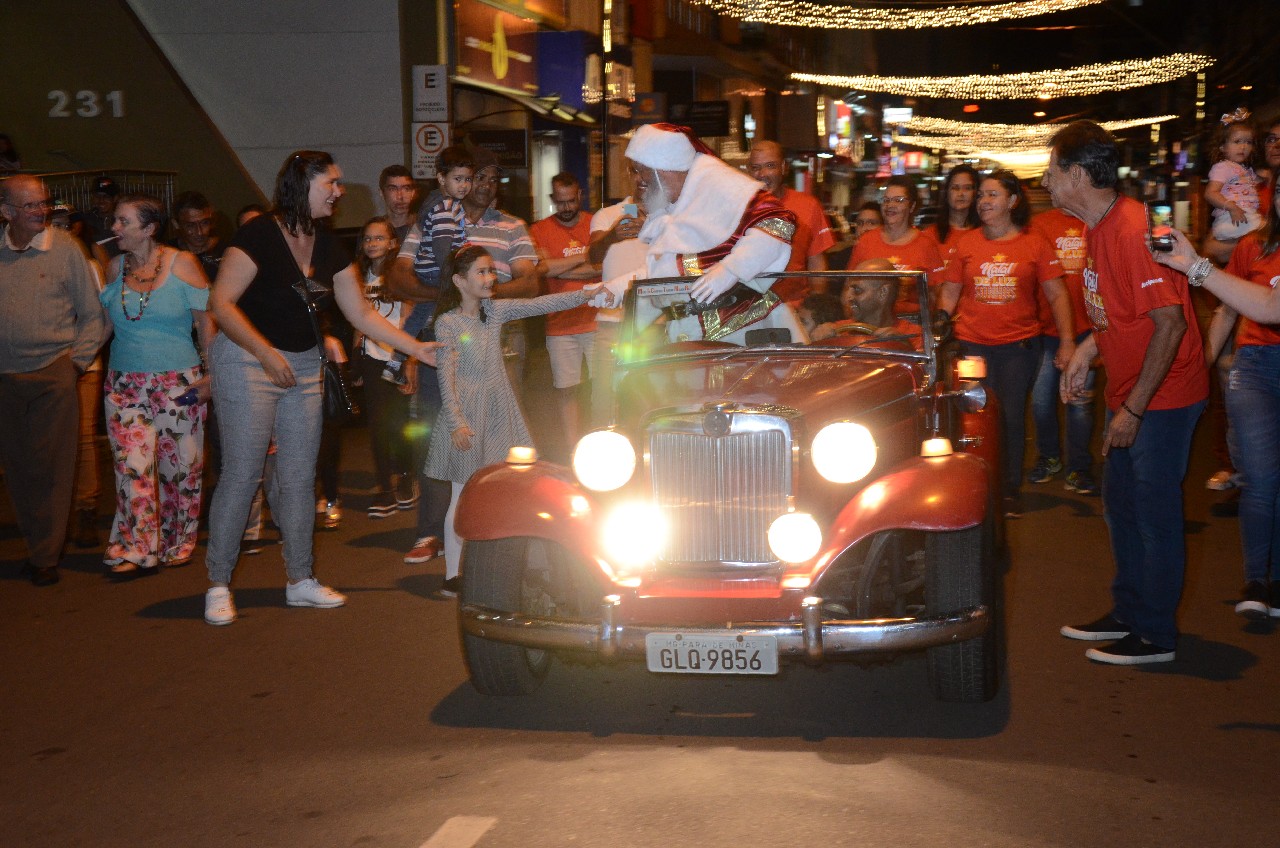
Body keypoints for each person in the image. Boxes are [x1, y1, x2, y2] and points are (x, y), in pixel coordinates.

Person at [202, 150, 440, 626]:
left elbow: (362, 314)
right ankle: (218, 584)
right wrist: (268, 355)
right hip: (248, 360)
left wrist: (418, 347)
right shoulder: (259, 235)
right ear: (302, 183)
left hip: (303, 365)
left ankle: (300, 580)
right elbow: (221, 305)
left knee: (296, 477)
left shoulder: (327, 243)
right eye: (331, 182)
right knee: (243, 474)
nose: (339, 190)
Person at [1046, 121, 1208, 665]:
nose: (1045, 181)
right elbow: (1119, 313)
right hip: (1130, 391)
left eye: (1051, 170)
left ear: (1075, 174)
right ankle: (1129, 613)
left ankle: (1156, 635)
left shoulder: (1135, 228)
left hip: (1163, 396)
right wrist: (1089, 353)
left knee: (1153, 516)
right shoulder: (1099, 225)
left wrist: (1134, 408)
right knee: (1120, 506)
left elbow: (1170, 324)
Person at [389, 146, 539, 566]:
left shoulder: (511, 226)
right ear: (459, 179)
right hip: (447, 342)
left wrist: (483, 298)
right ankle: (430, 532)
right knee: (441, 435)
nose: (485, 185)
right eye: (478, 176)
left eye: (494, 178)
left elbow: (530, 285)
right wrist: (450, 299)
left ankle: (502, 528)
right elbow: (398, 276)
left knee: (501, 438)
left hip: (500, 345)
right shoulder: (432, 219)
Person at [427, 245, 599, 596]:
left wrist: (589, 293)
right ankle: (452, 576)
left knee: (509, 483)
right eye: (481, 272)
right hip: (469, 415)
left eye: (491, 271)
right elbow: (446, 376)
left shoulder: (495, 310)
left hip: (499, 410)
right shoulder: (447, 323)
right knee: (462, 493)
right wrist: (457, 422)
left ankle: (504, 564)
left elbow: (541, 304)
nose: (490, 278)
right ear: (460, 281)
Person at [1153, 179, 1280, 620]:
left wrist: (1195, 266)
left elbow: (1270, 306)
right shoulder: (1254, 247)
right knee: (1260, 478)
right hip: (1257, 366)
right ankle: (1256, 581)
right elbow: (1229, 308)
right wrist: (1203, 362)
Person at [937, 171, 1073, 517]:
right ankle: (974, 484)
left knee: (1010, 416)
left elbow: (1057, 295)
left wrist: (1068, 342)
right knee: (972, 414)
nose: (983, 201)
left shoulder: (1035, 243)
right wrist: (940, 320)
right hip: (971, 345)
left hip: (1018, 348)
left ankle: (1008, 488)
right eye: (981, 195)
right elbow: (951, 290)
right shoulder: (966, 244)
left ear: (1013, 201)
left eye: (993, 195)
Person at [590, 123, 801, 346]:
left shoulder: (721, 187)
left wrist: (731, 269)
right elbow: (675, 268)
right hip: (692, 340)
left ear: (661, 169)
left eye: (641, 170)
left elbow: (777, 222)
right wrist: (619, 287)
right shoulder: (677, 207)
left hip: (747, 335)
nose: (639, 180)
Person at [0, 175, 107, 586]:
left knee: (53, 467)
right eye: (31, 206)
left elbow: (93, 314)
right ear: (6, 211)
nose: (42, 211)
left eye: (44, 203)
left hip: (53, 372)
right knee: (18, 468)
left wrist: (74, 365)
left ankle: (45, 555)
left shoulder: (64, 249)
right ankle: (35, 545)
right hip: (6, 378)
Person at [100, 193, 214, 575]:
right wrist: (76, 358)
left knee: (180, 467)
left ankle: (177, 538)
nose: (114, 228)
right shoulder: (114, 266)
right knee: (132, 468)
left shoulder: (184, 264)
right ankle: (137, 546)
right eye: (115, 220)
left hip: (178, 382)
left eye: (123, 222)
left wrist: (212, 377)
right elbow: (106, 325)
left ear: (149, 229)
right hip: (123, 383)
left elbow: (207, 323)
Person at [382, 146, 473, 387]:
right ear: (442, 178)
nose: (463, 185)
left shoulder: (436, 203)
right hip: (437, 270)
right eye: (457, 179)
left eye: (467, 179)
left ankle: (395, 361)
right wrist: (454, 275)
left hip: (429, 269)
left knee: (419, 317)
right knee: (455, 312)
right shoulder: (446, 208)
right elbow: (443, 247)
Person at [1028, 207, 1098, 495]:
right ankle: (1049, 456)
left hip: (1088, 329)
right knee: (1041, 401)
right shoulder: (1039, 223)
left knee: (1079, 403)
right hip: (1046, 330)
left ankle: (1078, 468)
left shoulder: (1095, 219)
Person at [52, 201, 110, 547]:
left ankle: (86, 507)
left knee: (84, 435)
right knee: (50, 440)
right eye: (53, 223)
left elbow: (98, 316)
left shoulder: (88, 265)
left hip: (83, 363)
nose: (60, 230)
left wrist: (82, 358)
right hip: (46, 363)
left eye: (65, 223)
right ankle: (56, 511)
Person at [351, 216, 416, 522]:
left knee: (400, 423)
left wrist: (408, 362)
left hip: (398, 356)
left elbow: (408, 319)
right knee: (377, 425)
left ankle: (405, 477)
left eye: (379, 238)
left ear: (393, 243)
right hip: (371, 357)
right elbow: (358, 321)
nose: (372, 244)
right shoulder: (357, 276)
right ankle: (384, 489)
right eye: (368, 238)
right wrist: (356, 361)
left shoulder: (401, 276)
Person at [530, 172, 599, 444]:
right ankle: (573, 448)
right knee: (566, 390)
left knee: (602, 388)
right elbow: (543, 268)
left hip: (597, 319)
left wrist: (558, 269)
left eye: (571, 201)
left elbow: (603, 266)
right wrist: (587, 256)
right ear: (552, 199)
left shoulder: (596, 224)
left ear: (580, 195)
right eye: (560, 203)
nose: (567, 208)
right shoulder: (539, 230)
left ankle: (600, 442)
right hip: (559, 324)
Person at [587, 163, 648, 427]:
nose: (641, 178)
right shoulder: (609, 214)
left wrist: (652, 227)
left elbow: (688, 262)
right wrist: (612, 235)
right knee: (603, 401)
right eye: (635, 171)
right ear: (628, 174)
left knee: (650, 402)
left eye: (648, 171)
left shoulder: (673, 217)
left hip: (655, 325)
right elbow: (593, 256)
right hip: (612, 324)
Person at [746, 140, 834, 304]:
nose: (762, 174)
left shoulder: (808, 205)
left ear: (784, 167)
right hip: (746, 308)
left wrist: (816, 309)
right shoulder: (736, 206)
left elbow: (817, 264)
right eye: (755, 168)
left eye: (770, 166)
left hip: (794, 307)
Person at [846, 175, 945, 312]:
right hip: (869, 324)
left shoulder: (926, 245)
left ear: (912, 206)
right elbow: (849, 290)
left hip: (911, 326)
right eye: (886, 200)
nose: (890, 205)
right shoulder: (866, 241)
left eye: (899, 200)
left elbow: (937, 295)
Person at [812, 258, 922, 346]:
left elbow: (922, 369)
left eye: (857, 290)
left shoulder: (913, 335)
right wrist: (818, 339)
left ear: (883, 293)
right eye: (849, 289)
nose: (848, 297)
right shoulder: (836, 330)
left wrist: (905, 348)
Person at [1204, 109, 1262, 264]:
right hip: (1233, 218)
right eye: (1237, 142)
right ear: (1223, 147)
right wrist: (1231, 207)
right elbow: (1210, 193)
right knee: (1266, 230)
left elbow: (1257, 183)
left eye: (1248, 142)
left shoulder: (1244, 170)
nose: (1243, 147)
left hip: (1243, 217)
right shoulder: (1223, 167)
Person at [169, 191, 226, 283]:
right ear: (176, 224)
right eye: (190, 225)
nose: (200, 232)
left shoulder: (225, 251)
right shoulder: (168, 253)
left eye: (204, 223)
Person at [926, 164, 981, 258]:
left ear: (975, 193)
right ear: (947, 193)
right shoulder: (930, 236)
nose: (961, 193)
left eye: (967, 188)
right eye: (955, 188)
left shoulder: (984, 234)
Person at [85, 176, 122, 262]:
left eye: (106, 197)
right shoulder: (86, 220)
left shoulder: (122, 220)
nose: (101, 200)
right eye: (97, 196)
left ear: (115, 198)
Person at [379, 164, 418, 241]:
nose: (400, 196)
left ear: (413, 193)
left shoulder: (424, 226)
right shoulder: (373, 230)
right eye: (392, 189)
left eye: (406, 189)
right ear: (382, 193)